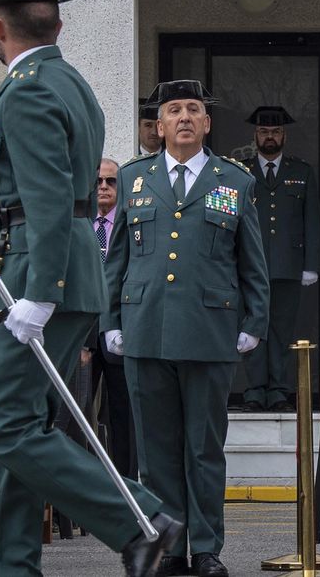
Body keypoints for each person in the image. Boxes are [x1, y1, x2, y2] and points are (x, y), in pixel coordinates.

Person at [0, 0, 182, 577]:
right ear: (58, 25)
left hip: (33, 276)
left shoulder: (30, 89)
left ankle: (141, 521)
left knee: (8, 428)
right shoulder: (69, 80)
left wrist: (38, 296)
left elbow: (46, 199)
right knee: (25, 429)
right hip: (55, 273)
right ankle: (9, 565)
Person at [103, 79, 270, 577]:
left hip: (209, 331)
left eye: (193, 110)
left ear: (207, 123)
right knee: (155, 452)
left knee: (203, 448)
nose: (183, 118)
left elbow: (252, 262)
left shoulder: (233, 181)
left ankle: (207, 548)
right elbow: (116, 262)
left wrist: (254, 322)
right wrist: (109, 322)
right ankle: (168, 548)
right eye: (173, 110)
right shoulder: (133, 179)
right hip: (145, 331)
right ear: (158, 125)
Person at [242, 104, 320, 413]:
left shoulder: (301, 171)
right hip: (250, 266)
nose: (270, 137)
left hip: (288, 266)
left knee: (281, 330)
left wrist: (311, 264)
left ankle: (277, 390)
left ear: (284, 135)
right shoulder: (241, 170)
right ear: (256, 135)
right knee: (253, 328)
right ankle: (253, 390)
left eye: (275, 131)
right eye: (264, 132)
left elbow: (312, 220)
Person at [84, 158, 136, 477]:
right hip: (83, 333)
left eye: (111, 181)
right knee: (77, 416)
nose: (103, 186)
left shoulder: (131, 222)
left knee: (123, 416)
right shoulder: (78, 222)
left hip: (120, 328)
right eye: (98, 181)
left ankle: (128, 487)